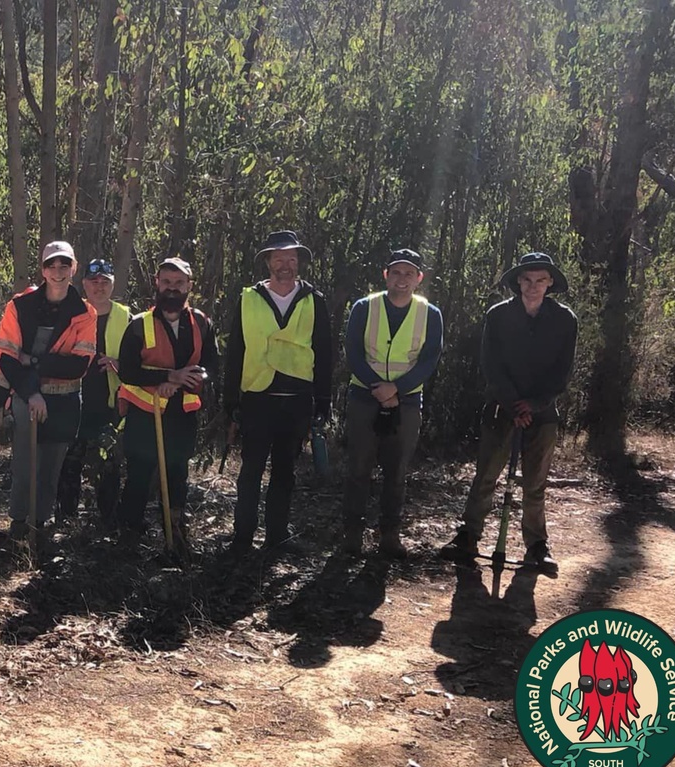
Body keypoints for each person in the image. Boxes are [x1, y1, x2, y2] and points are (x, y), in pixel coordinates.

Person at [440, 252, 577, 574]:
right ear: (518, 281)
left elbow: (563, 371)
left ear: (550, 283)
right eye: (527, 280)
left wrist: (536, 403)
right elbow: (490, 363)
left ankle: (537, 546)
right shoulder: (499, 315)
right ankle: (468, 537)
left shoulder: (564, 319)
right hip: (501, 408)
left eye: (540, 280)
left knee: (535, 483)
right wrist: (513, 402)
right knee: (486, 475)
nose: (532, 286)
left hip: (542, 414)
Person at [223, 230, 333, 554]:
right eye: (279, 258)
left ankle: (277, 536)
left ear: (298, 262)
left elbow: (324, 353)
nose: (285, 264)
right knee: (250, 471)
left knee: (285, 472)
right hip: (257, 397)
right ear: (268, 262)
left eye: (292, 258)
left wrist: (323, 400)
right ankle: (242, 536)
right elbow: (236, 352)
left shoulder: (315, 300)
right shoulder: (248, 298)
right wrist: (230, 402)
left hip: (297, 400)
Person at [341, 249, 444, 559]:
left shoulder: (430, 313)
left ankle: (390, 535)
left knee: (396, 471)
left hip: (407, 401)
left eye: (409, 274)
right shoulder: (364, 307)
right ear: (386, 275)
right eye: (396, 272)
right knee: (359, 467)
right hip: (364, 397)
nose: (402, 279)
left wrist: (396, 389)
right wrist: (379, 388)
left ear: (419, 279)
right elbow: (353, 352)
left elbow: (429, 360)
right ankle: (352, 534)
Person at [0, 241, 96, 543]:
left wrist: (34, 360)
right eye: (52, 265)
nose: (58, 271)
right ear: (43, 270)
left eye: (65, 265)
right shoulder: (19, 306)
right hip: (27, 394)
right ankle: (18, 525)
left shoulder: (85, 313)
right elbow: (8, 357)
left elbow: (78, 366)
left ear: (73, 269)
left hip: (65, 400)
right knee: (25, 464)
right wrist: (32, 392)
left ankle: (40, 524)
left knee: (51, 467)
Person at [115, 258, 219, 551]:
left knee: (177, 474)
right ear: (157, 283)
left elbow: (211, 365)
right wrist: (167, 376)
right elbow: (128, 371)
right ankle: (129, 536)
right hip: (145, 415)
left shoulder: (201, 322)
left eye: (179, 284)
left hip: (182, 415)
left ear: (189, 286)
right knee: (138, 475)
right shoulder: (138, 325)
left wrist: (183, 381)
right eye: (167, 283)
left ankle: (176, 535)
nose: (172, 290)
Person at [57, 258, 131, 525]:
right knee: (67, 464)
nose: (99, 287)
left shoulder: (127, 318)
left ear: (113, 284)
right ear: (84, 284)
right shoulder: (72, 314)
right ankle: (64, 520)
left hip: (110, 404)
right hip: (73, 402)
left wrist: (120, 365)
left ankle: (108, 521)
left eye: (105, 282)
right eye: (93, 281)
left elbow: (140, 363)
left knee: (109, 466)